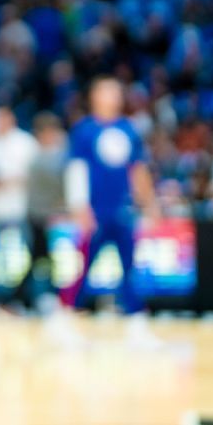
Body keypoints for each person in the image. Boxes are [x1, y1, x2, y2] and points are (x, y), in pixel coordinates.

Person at [63, 76, 158, 344]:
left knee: (129, 268)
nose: (111, 97)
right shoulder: (84, 130)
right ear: (94, 96)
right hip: (94, 213)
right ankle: (66, 318)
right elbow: (76, 170)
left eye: (115, 92)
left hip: (123, 212)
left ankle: (137, 325)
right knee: (83, 269)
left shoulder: (129, 129)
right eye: (106, 92)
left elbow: (138, 170)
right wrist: (80, 209)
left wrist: (149, 202)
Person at [17, 111, 68, 310]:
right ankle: (28, 299)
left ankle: (26, 299)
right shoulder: (40, 158)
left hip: (47, 216)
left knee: (41, 260)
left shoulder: (54, 155)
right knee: (40, 260)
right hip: (39, 216)